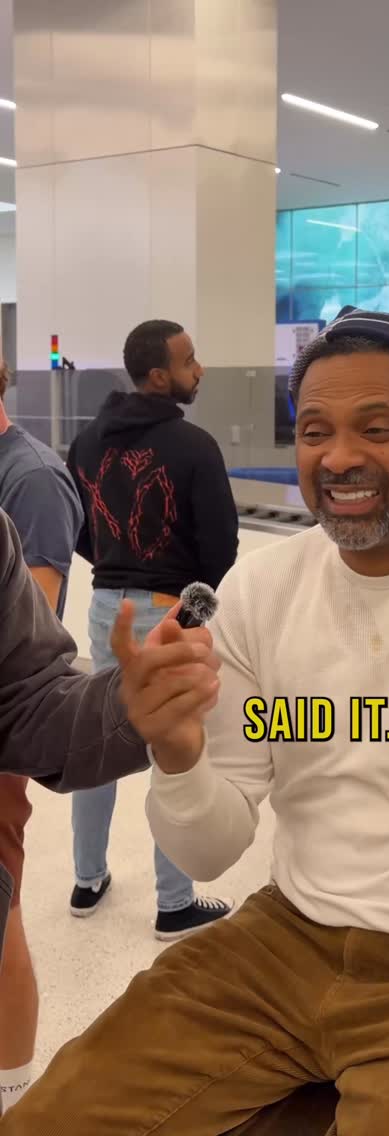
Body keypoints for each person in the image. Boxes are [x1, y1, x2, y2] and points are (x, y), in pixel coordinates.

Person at [7, 307, 389, 1136]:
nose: (339, 457)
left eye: (376, 428)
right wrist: (181, 756)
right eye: (314, 431)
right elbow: (209, 850)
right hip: (282, 939)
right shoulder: (260, 593)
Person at [0, 503, 221, 1117]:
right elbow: (218, 540)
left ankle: (98, 879)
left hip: (119, 608)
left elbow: (24, 699)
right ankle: (157, 896)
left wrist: (129, 702)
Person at [66, 320, 238, 939]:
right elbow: (221, 548)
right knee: (171, 744)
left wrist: (119, 570)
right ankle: (174, 902)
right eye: (190, 361)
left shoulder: (85, 443)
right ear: (161, 376)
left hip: (106, 609)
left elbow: (80, 530)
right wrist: (190, 612)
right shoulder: (194, 447)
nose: (201, 369)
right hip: (170, 610)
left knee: (100, 743)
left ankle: (87, 880)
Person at [0, 359, 83, 1112]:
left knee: (6, 915)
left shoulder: (30, 479)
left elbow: (34, 615)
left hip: (5, 732)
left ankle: (13, 1092)